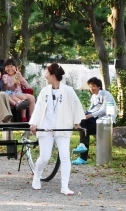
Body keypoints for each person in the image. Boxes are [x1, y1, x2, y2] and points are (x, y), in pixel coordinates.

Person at [29, 63, 86, 195]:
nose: (45, 76)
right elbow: (38, 109)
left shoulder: (68, 91)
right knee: (45, 157)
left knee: (65, 157)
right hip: (46, 126)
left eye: (47, 73)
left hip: (62, 126)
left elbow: (76, 106)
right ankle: (37, 176)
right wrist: (34, 123)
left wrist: (77, 122)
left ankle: (64, 186)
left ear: (53, 75)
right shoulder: (44, 91)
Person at [73, 77, 118, 165]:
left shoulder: (107, 95)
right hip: (95, 120)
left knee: (84, 129)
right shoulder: (93, 97)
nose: (91, 88)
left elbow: (106, 110)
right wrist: (85, 114)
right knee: (82, 124)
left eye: (93, 86)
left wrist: (90, 115)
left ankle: (83, 155)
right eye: (90, 86)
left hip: (106, 121)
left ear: (99, 86)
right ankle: (82, 151)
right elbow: (92, 109)